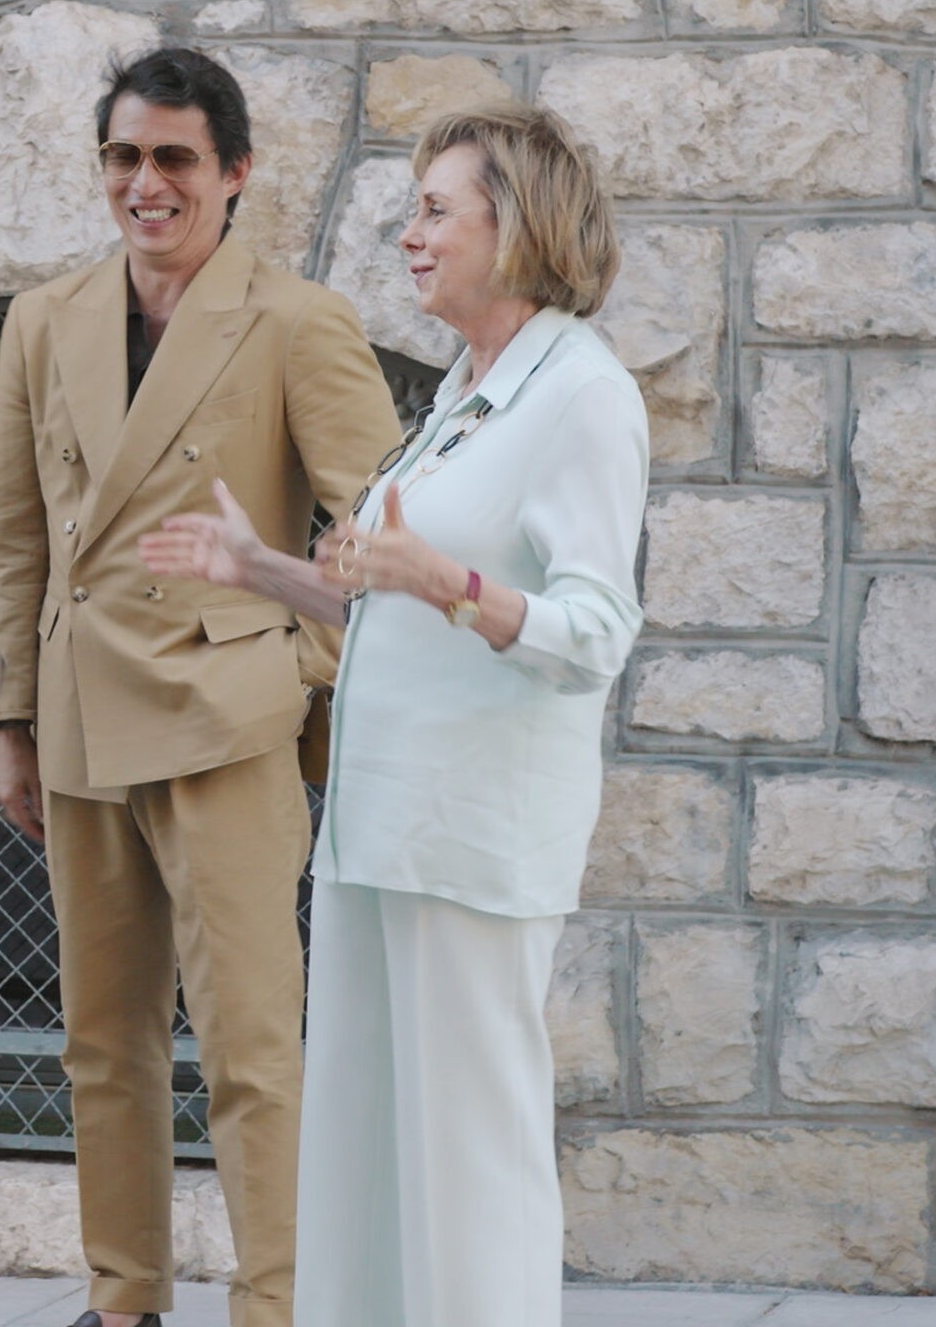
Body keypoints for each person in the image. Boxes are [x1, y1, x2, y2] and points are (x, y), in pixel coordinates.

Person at [139, 100, 648, 1327]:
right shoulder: (469, 391)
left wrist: (452, 585)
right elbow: (386, 596)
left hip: (470, 847)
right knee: (370, 1161)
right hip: (380, 836)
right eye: (409, 210)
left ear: (512, 225)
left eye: (432, 210)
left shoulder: (580, 395)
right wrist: (260, 567)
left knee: (473, 1167)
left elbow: (594, 632)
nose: (405, 234)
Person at [0, 46, 402, 1327]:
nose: (144, 183)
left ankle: (275, 1307)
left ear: (233, 174)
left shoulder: (296, 319)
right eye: (123, 156)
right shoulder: (43, 318)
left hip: (226, 730)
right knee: (102, 1049)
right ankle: (124, 1303)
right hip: (80, 729)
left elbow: (382, 534)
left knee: (252, 1056)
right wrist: (10, 722)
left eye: (172, 158)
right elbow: (15, 537)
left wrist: (295, 667)